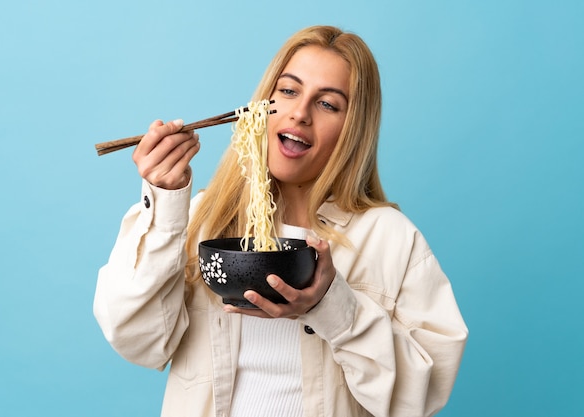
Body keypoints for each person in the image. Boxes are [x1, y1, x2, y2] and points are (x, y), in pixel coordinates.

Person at [93, 25, 468, 417]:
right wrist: (166, 207)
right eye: (288, 91)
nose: (299, 113)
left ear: (352, 129)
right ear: (264, 102)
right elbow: (136, 340)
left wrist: (331, 306)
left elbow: (422, 396)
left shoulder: (390, 238)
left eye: (328, 104)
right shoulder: (200, 221)